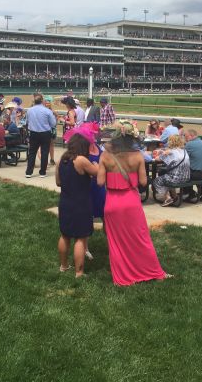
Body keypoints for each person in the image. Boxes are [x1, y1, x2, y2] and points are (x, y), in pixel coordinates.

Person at [97, 119, 168, 286]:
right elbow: (143, 182)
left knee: (116, 241)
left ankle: (122, 274)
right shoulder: (137, 156)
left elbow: (100, 182)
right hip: (131, 201)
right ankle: (151, 270)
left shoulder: (105, 156)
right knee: (141, 238)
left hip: (112, 202)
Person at [56, 133, 99, 278]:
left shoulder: (62, 159)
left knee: (65, 235)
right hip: (81, 203)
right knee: (80, 238)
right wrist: (96, 165)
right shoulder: (81, 160)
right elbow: (97, 173)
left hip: (65, 202)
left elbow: (58, 182)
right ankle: (79, 272)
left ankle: (63, 266)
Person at [152, 134, 190, 206]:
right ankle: (175, 197)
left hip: (176, 178)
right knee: (168, 176)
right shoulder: (184, 151)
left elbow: (157, 159)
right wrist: (164, 152)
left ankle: (167, 197)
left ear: (171, 142)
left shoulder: (171, 152)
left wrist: (160, 153)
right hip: (186, 177)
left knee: (157, 181)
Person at [25, 94, 57, 178]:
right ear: (42, 101)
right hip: (45, 133)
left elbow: (27, 121)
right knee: (44, 152)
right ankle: (42, 172)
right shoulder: (47, 111)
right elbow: (53, 124)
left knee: (32, 152)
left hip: (33, 133)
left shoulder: (29, 110)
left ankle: (29, 172)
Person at [182, 129, 202, 201]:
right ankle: (201, 191)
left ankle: (190, 193)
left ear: (191, 136)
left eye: (185, 136)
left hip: (197, 174)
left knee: (181, 173)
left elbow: (182, 157)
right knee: (193, 168)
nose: (185, 138)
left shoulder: (190, 144)